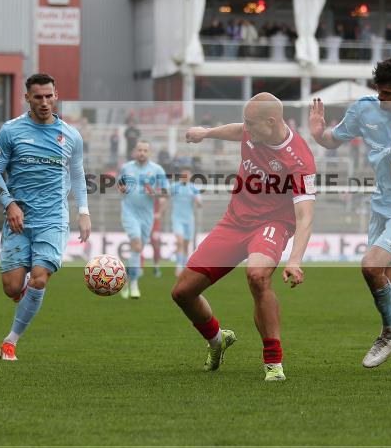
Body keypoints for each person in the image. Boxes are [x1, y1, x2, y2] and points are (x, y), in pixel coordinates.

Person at [174, 93, 315, 382]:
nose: (246, 129)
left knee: (257, 276)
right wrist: (206, 133)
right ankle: (217, 340)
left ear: (272, 122)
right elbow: (238, 130)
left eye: (251, 123)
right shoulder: (252, 132)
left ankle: (273, 362)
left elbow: (305, 216)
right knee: (182, 292)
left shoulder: (299, 160)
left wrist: (296, 260)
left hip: (273, 224)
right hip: (234, 222)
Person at [309, 55, 391, 374]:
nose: (381, 99)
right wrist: (317, 133)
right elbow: (331, 142)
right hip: (383, 203)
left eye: (389, 94)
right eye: (378, 92)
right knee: (384, 280)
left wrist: (388, 169)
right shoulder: (364, 108)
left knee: (369, 266)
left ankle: (390, 331)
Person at [0, 74, 91, 361]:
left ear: (56, 95)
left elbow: (78, 175)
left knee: (40, 278)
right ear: (27, 98)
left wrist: (83, 212)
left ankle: (11, 341)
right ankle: (24, 295)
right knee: (12, 287)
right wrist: (9, 204)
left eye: (49, 96)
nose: (44, 103)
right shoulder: (11, 131)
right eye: (38, 97)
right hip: (18, 218)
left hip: (53, 219)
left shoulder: (71, 135)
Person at [117, 140, 168, 299]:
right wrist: (122, 188)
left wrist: (154, 193)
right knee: (137, 246)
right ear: (135, 152)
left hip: (147, 216)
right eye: (139, 150)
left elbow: (165, 193)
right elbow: (120, 186)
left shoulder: (157, 169)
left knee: (137, 250)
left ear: (149, 153)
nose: (142, 153)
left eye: (145, 150)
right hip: (129, 212)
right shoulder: (127, 167)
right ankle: (134, 284)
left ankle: (126, 277)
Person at [170, 168, 203, 275]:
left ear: (190, 177)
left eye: (187, 175)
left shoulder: (193, 188)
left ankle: (184, 266)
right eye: (183, 175)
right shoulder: (174, 187)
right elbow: (165, 197)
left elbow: (200, 204)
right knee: (179, 241)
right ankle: (179, 266)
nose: (185, 177)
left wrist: (196, 200)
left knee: (185, 244)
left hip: (189, 220)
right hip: (177, 218)